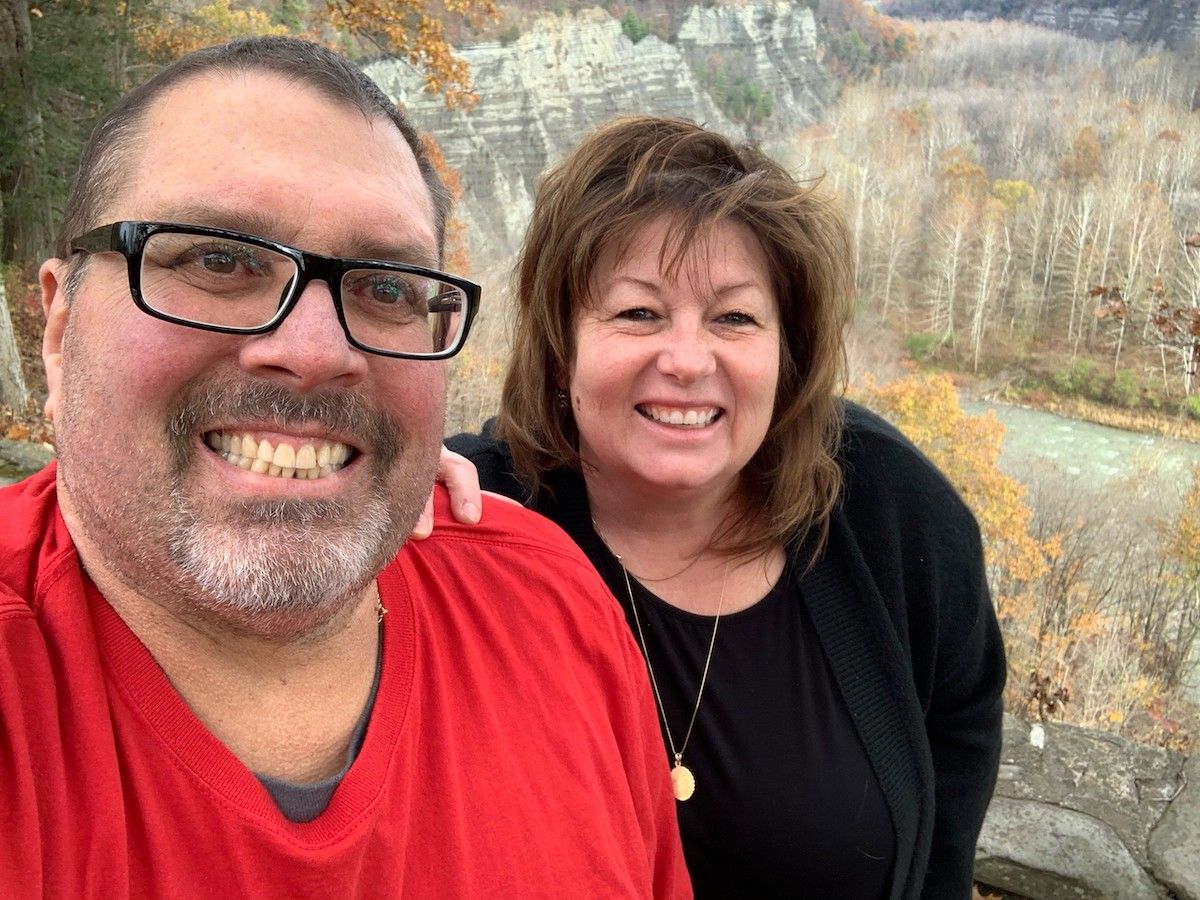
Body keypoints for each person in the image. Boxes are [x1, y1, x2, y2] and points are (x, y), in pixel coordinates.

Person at [0, 40, 691, 898]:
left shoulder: (552, 611)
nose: (316, 352)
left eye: (389, 287)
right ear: (62, 328)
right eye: (219, 260)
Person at [444, 116, 1006, 899]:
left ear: (788, 352)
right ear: (562, 346)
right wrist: (378, 489)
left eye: (734, 317)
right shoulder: (471, 524)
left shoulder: (890, 508)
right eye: (637, 313)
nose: (684, 359)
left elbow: (960, 727)